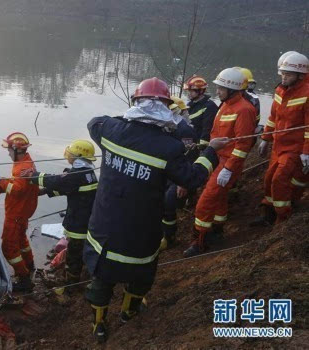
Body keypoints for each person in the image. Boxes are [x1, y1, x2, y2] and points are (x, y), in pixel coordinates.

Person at [83, 77, 229, 343]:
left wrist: (125, 121)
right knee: (140, 275)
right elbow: (193, 178)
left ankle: (99, 325)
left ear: (135, 104)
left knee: (102, 280)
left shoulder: (110, 129)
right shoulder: (169, 148)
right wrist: (210, 152)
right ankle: (129, 312)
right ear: (165, 108)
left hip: (103, 228)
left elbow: (94, 123)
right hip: (142, 232)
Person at [185, 68, 257, 257]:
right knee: (219, 198)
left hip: (228, 162)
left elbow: (243, 145)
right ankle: (217, 231)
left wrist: (228, 168)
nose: (217, 91)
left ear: (232, 89)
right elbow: (215, 135)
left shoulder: (244, 110)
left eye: (221, 88)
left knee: (205, 201)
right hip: (217, 159)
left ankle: (199, 241)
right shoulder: (224, 106)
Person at [29, 140, 98, 285]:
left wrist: (34, 176)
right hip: (86, 219)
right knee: (79, 250)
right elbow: (69, 187)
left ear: (78, 156)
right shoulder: (88, 173)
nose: (68, 156)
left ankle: (72, 282)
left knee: (74, 253)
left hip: (79, 224)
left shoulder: (77, 175)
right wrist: (45, 192)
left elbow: (58, 181)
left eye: (71, 154)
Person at [256, 52, 309, 225]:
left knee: (279, 180)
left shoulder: (307, 94)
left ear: (300, 75)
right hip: (278, 145)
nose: (284, 77)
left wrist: (306, 152)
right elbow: (272, 117)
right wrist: (265, 138)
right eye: (283, 73)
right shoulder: (280, 90)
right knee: (269, 178)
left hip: (294, 147)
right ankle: (268, 214)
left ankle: (282, 219)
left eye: (288, 74)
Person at [0, 132, 39, 292]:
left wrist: (0, 180)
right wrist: (2, 183)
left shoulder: (23, 167)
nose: (8, 153)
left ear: (18, 150)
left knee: (8, 248)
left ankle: (24, 279)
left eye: (10, 150)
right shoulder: (25, 161)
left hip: (16, 213)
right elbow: (18, 185)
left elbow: (17, 190)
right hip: (22, 212)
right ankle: (30, 266)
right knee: (22, 241)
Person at [161, 96, 199, 249]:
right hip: (167, 170)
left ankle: (169, 236)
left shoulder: (184, 130)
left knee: (168, 201)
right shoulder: (166, 125)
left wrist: (182, 183)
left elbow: (190, 157)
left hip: (180, 174)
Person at [183, 75, 219, 146]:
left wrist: (201, 146)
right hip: (190, 141)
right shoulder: (191, 104)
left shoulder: (210, 106)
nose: (189, 93)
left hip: (199, 143)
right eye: (188, 91)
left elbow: (207, 129)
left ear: (201, 91)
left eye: (191, 91)